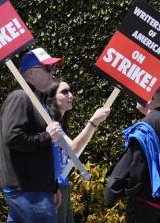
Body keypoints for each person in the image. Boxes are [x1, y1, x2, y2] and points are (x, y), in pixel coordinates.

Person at [0, 47, 65, 223]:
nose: (53, 72)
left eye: (53, 68)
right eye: (47, 68)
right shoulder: (20, 97)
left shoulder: (39, 102)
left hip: (35, 190)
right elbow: (12, 137)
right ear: (30, 75)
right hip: (28, 191)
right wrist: (46, 136)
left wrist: (52, 186)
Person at [104, 83, 160, 223]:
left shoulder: (145, 126)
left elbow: (134, 164)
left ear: (149, 97)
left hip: (144, 204)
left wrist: (111, 192)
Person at [47, 78, 111, 223]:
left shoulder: (59, 123)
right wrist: (93, 122)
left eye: (70, 91)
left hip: (61, 185)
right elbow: (73, 148)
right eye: (64, 92)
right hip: (54, 188)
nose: (71, 95)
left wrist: (94, 124)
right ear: (51, 98)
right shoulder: (50, 124)